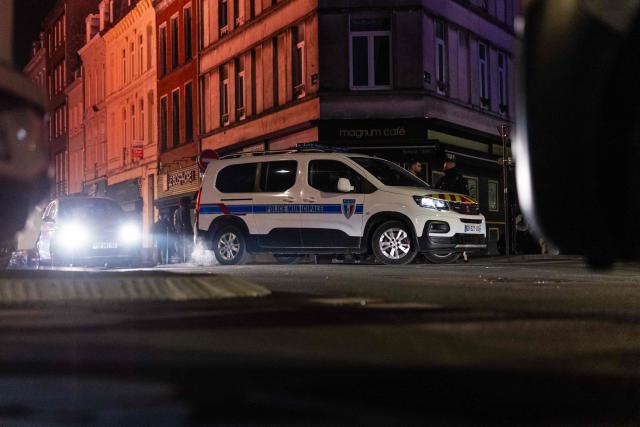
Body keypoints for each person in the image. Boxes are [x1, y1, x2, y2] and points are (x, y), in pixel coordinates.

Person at [173, 196, 193, 262]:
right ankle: (187, 259)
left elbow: (175, 223)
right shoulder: (187, 210)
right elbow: (188, 221)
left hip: (179, 232)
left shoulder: (176, 211)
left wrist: (178, 229)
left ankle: (182, 259)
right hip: (187, 230)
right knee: (188, 244)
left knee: (181, 245)